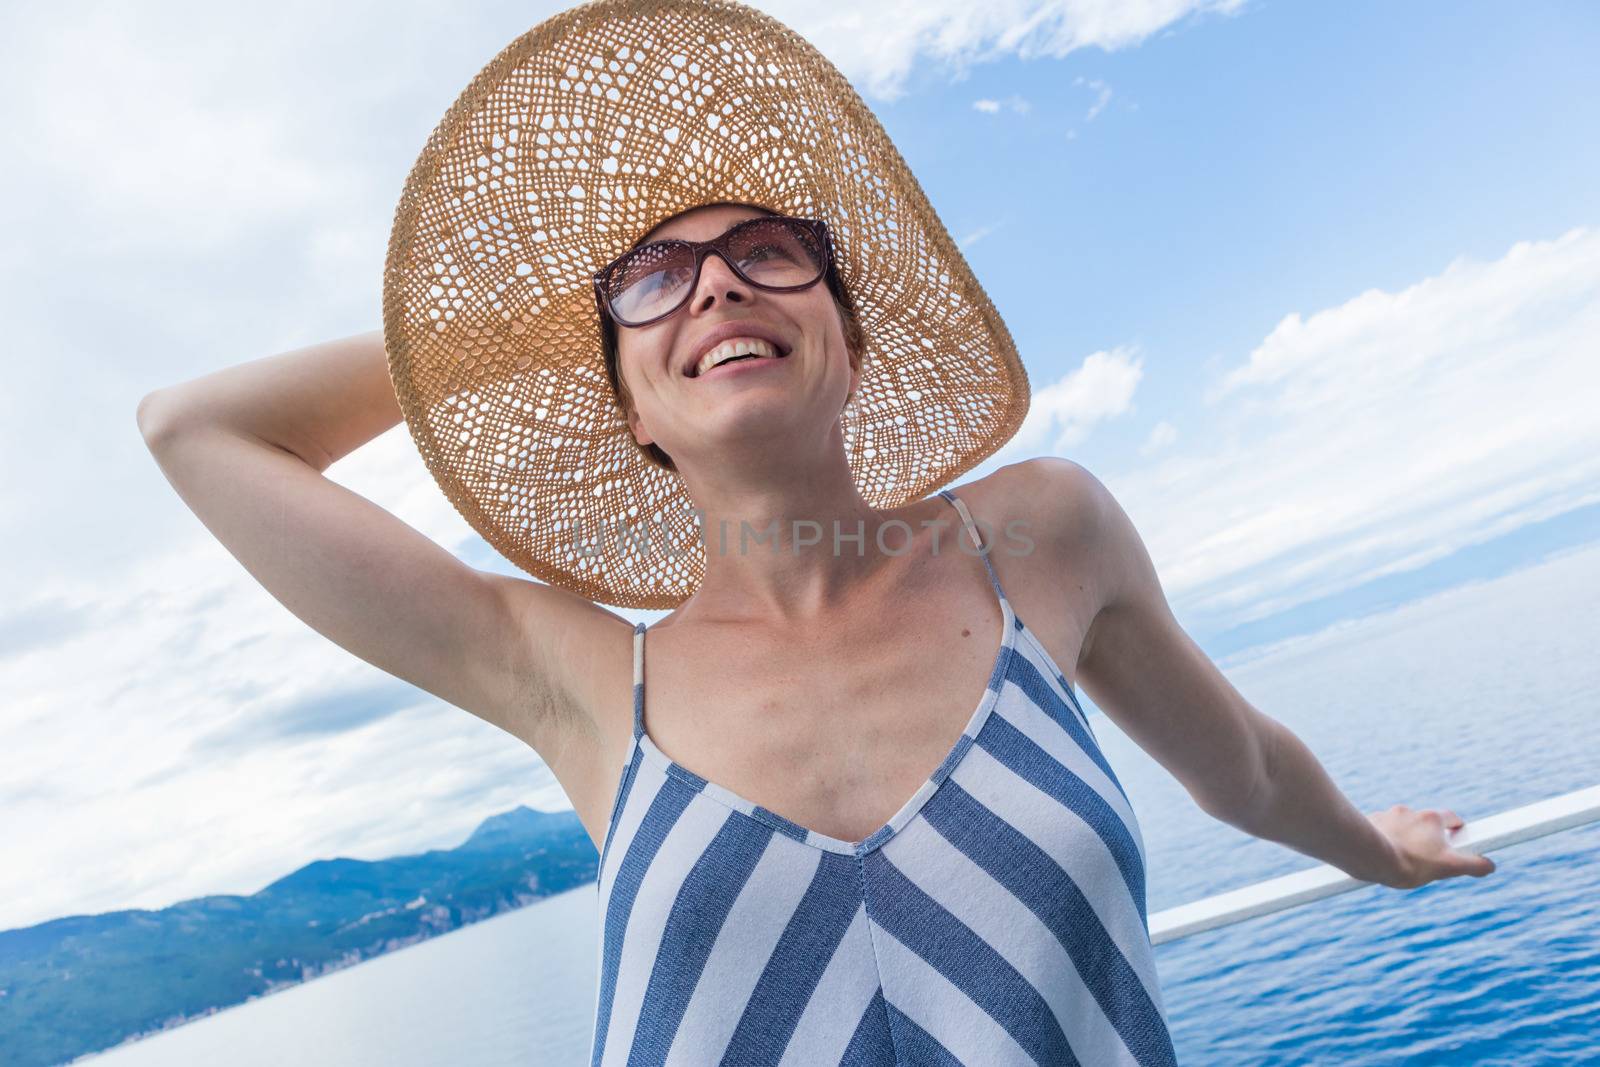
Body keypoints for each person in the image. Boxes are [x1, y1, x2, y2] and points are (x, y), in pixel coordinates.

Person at [137, 1, 1494, 1063]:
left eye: (769, 252)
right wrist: (543, 328)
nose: (720, 278)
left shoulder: (1039, 537)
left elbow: (1243, 767)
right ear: (632, 415)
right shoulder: (585, 676)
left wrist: (1379, 852)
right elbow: (194, 431)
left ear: (848, 346)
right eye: (659, 280)